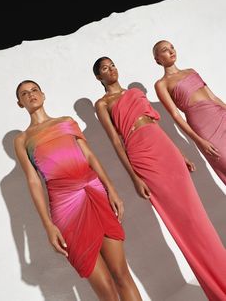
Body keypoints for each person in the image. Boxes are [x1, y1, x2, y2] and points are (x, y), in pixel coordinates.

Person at [92, 56, 226, 300]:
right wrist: (134, 178)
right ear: (98, 77)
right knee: (183, 222)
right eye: (104, 68)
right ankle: (217, 286)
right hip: (141, 155)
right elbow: (115, 141)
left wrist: (180, 153)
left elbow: (157, 125)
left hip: (164, 147)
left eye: (113, 65)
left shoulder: (134, 92)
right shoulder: (102, 104)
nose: (111, 70)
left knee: (198, 215)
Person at [14, 80, 143, 301]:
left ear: (43, 94)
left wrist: (111, 189)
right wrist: (48, 226)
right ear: (20, 103)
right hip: (66, 210)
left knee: (121, 275)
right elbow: (33, 182)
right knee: (105, 289)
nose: (31, 95)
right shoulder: (23, 139)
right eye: (25, 94)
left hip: (94, 194)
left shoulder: (66, 122)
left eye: (34, 90)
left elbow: (90, 156)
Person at [153, 39, 226, 186]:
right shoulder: (162, 84)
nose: (171, 51)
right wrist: (198, 140)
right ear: (157, 59)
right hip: (204, 128)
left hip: (220, 115)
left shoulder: (191, 71)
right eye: (165, 50)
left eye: (172, 47)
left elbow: (212, 97)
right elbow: (175, 115)